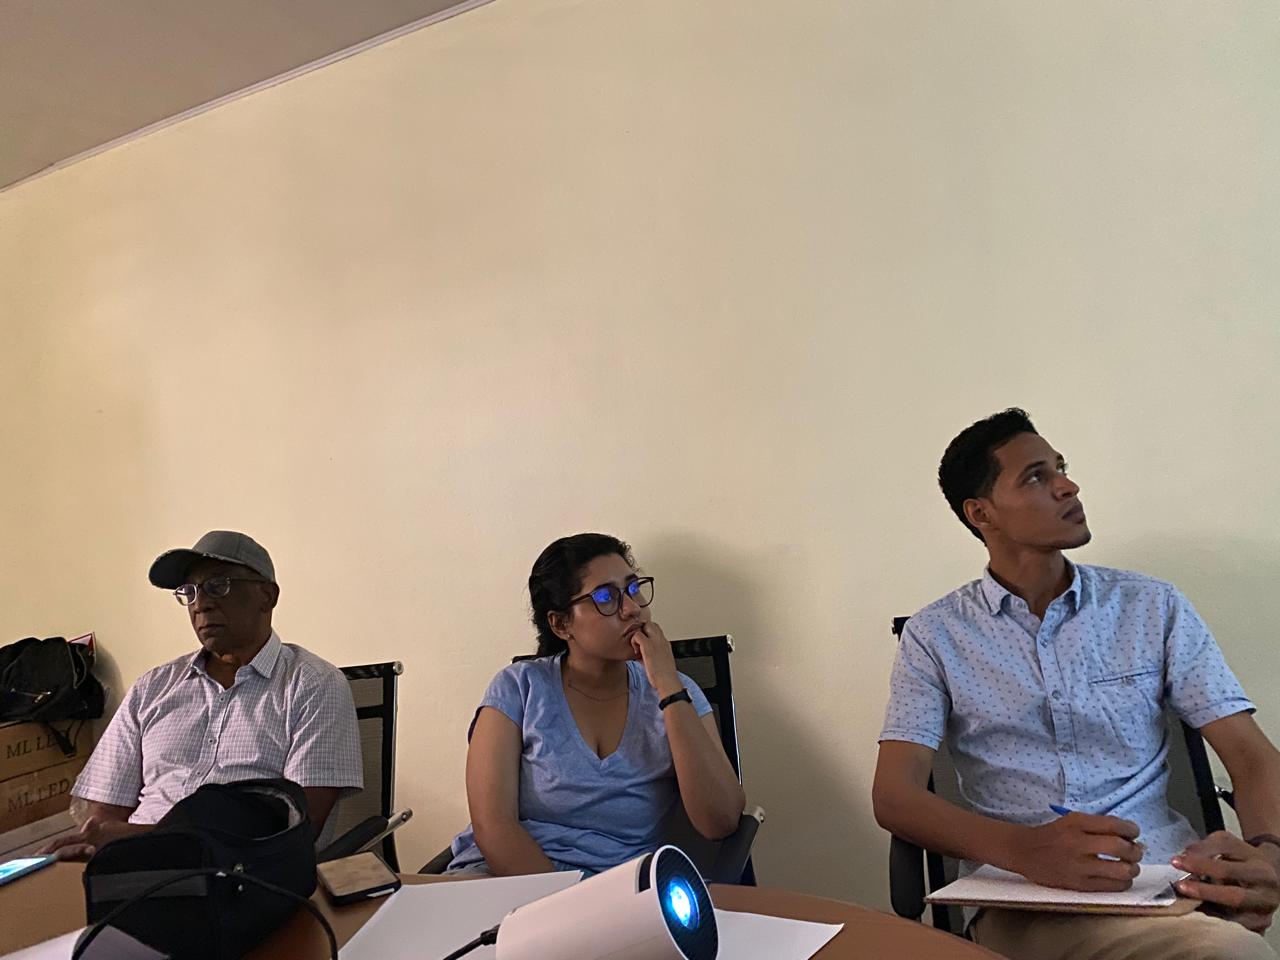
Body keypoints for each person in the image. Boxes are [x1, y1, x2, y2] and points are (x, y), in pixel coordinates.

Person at [873, 408, 1280, 960]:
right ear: (981, 513)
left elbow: (1252, 757)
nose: (1068, 486)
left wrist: (1268, 856)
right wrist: (1024, 851)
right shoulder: (937, 635)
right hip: (1027, 901)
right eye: (1036, 477)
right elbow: (895, 795)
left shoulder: (1151, 607)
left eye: (1061, 468)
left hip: (1169, 883)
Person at [40, 530, 362, 860]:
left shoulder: (314, 684)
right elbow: (104, 815)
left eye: (218, 585)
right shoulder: (152, 688)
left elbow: (297, 830)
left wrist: (146, 840)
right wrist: (104, 847)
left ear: (267, 596)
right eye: (189, 592)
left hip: (244, 874)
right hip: (132, 870)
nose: (200, 604)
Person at [447, 532, 746, 876]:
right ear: (561, 624)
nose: (632, 608)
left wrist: (668, 686)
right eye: (606, 597)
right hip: (507, 877)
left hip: (617, 887)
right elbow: (493, 826)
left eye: (633, 588)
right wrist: (563, 901)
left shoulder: (678, 692)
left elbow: (720, 821)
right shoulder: (518, 688)